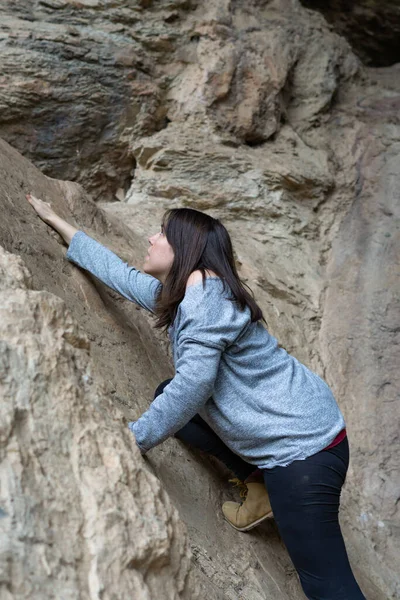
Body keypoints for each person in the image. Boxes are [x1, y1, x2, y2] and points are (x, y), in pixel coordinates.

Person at [26, 192, 366, 600]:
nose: (151, 238)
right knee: (168, 398)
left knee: (327, 585)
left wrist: (132, 438)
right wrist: (58, 222)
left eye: (162, 233)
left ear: (186, 248)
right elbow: (123, 277)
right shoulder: (194, 295)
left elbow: (194, 386)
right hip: (299, 432)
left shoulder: (207, 298)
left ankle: (269, 484)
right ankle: (257, 483)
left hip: (303, 452)